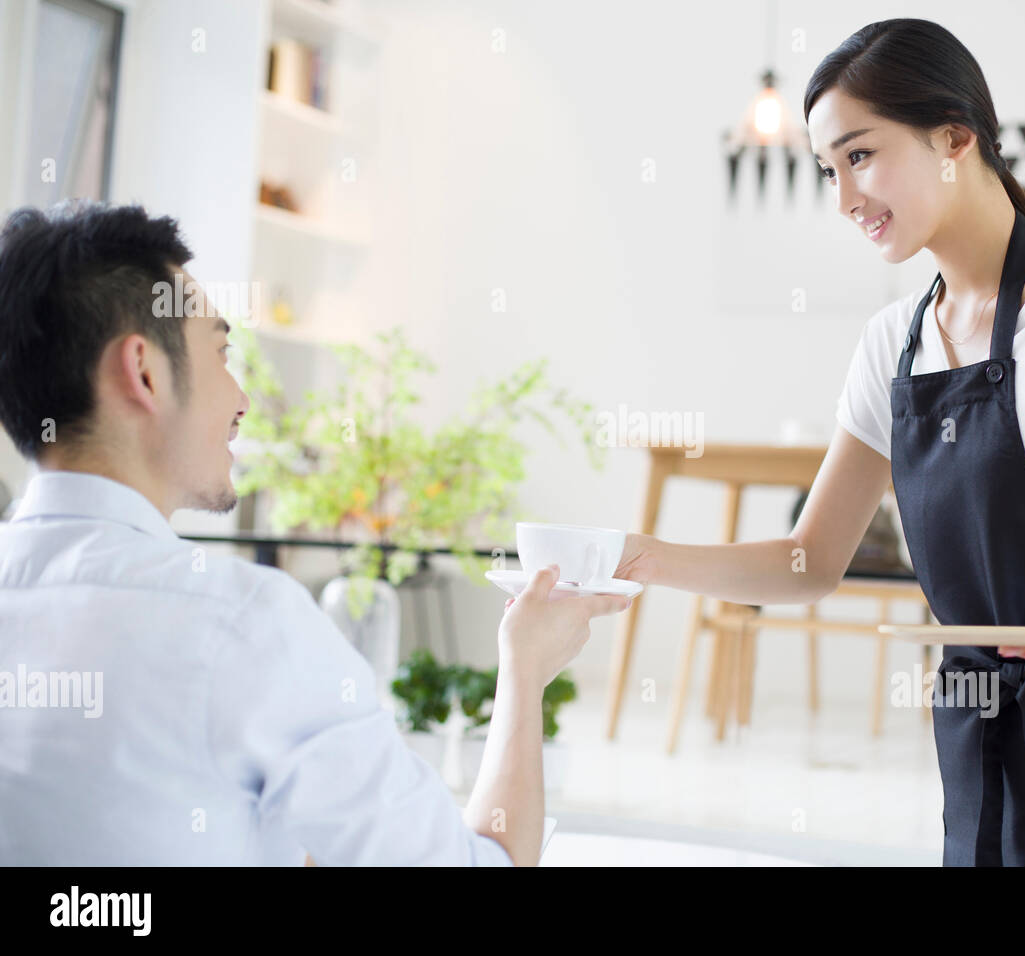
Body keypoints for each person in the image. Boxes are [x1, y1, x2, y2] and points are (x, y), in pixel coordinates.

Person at [613, 19, 1025, 866]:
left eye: (859, 155)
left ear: (955, 138)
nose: (844, 198)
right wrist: (641, 558)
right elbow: (810, 562)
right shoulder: (895, 342)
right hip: (975, 745)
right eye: (827, 170)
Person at [0, 200, 630, 865]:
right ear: (145, 371)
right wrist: (525, 669)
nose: (240, 398)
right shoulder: (240, 621)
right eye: (220, 352)